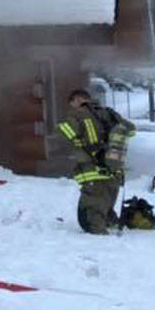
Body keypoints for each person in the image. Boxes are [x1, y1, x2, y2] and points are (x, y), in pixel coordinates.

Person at [56, 87, 136, 233]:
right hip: (113, 169)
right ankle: (109, 221)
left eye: (71, 103)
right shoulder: (109, 113)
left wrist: (60, 126)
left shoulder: (77, 114)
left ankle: (99, 236)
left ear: (78, 100)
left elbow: (65, 133)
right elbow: (131, 129)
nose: (71, 106)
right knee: (107, 201)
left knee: (94, 203)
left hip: (92, 167)